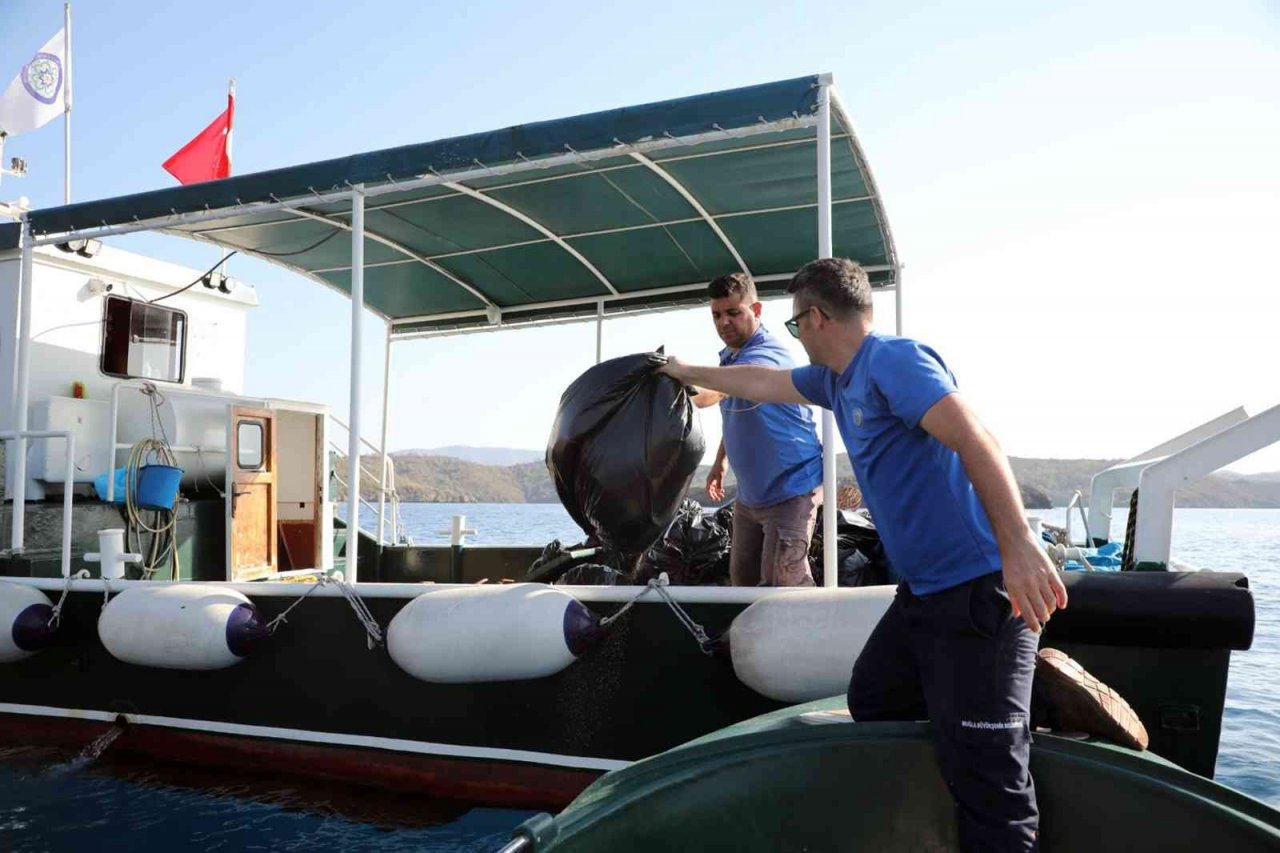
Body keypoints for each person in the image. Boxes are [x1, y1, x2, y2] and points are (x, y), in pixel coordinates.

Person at [658, 257, 1067, 852]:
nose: (796, 336)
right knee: (873, 697)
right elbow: (758, 383)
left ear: (817, 319)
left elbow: (974, 437)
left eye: (795, 325)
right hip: (922, 595)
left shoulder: (893, 361)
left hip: (979, 588)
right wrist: (677, 370)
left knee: (989, 777)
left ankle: (1012, 697)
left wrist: (1020, 543)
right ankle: (1018, 693)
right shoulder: (835, 381)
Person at [691, 273, 824, 587]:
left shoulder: (766, 355)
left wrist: (680, 387)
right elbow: (737, 414)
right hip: (750, 497)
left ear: (757, 310)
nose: (724, 322)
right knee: (742, 585)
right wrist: (720, 463)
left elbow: (714, 394)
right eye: (716, 315)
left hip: (792, 489)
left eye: (733, 312)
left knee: (783, 584)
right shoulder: (730, 359)